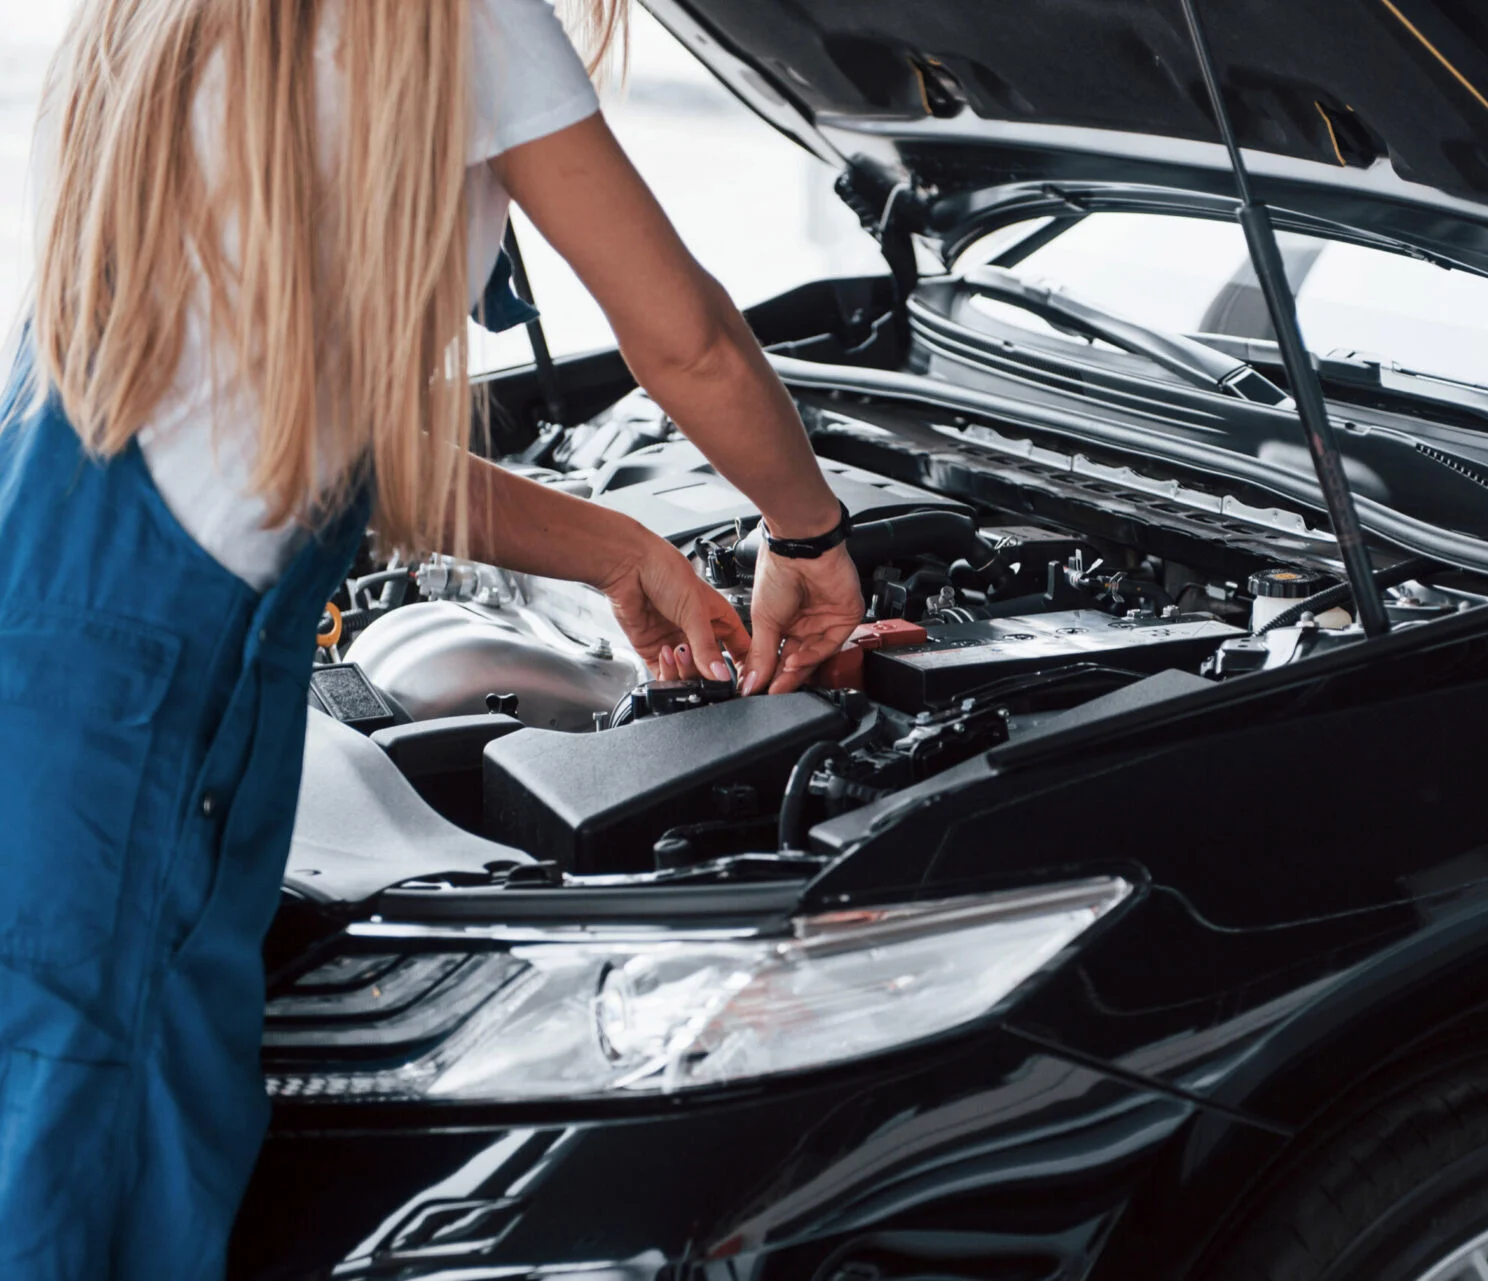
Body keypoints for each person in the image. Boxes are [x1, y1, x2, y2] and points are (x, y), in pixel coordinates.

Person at [0, 1, 865, 1276]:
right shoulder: (456, 15)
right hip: (133, 715)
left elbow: (300, 434)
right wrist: (808, 537)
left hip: (73, 649)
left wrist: (625, 550)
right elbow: (689, 341)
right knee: (87, 1175)